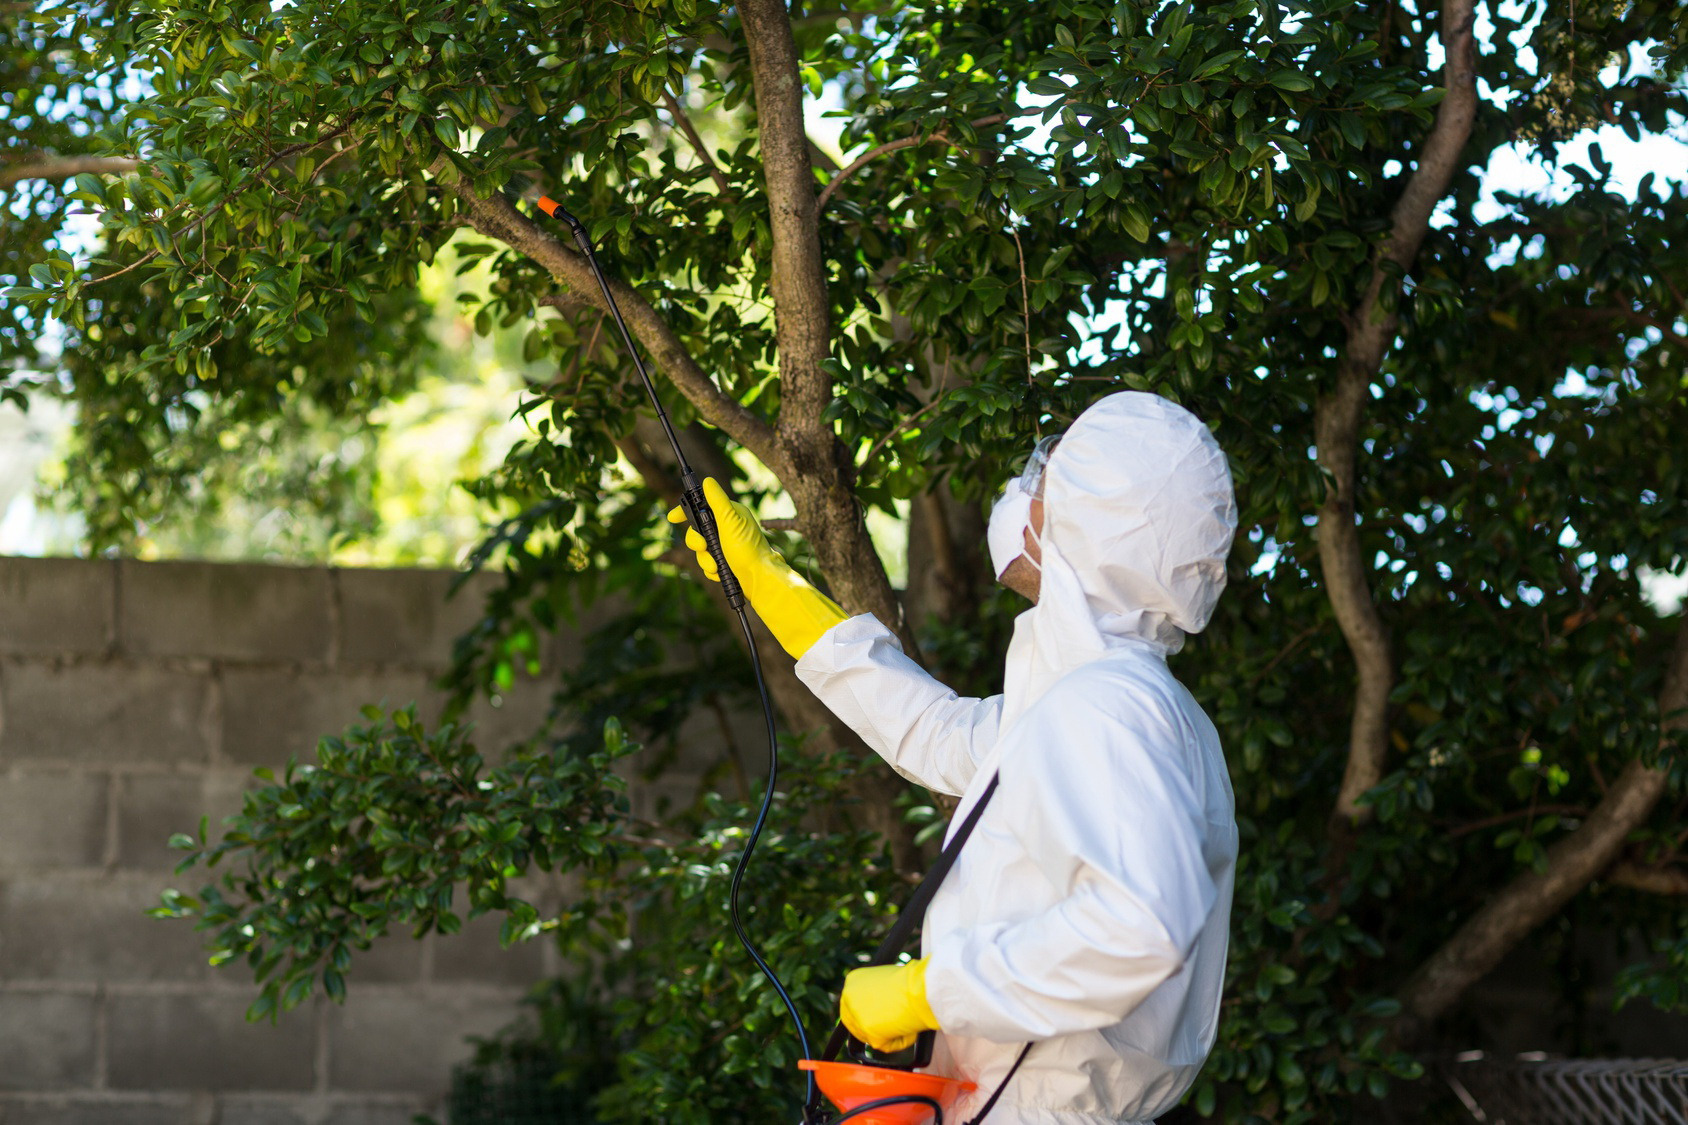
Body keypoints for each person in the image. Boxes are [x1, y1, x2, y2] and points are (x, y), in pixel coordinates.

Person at [668, 391, 1239, 1125]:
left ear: (1085, 528)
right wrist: (775, 586)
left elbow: (1139, 928)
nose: (1025, 492)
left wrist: (927, 991)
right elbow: (939, 733)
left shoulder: (1107, 710)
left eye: (1047, 478)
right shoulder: (1108, 705)